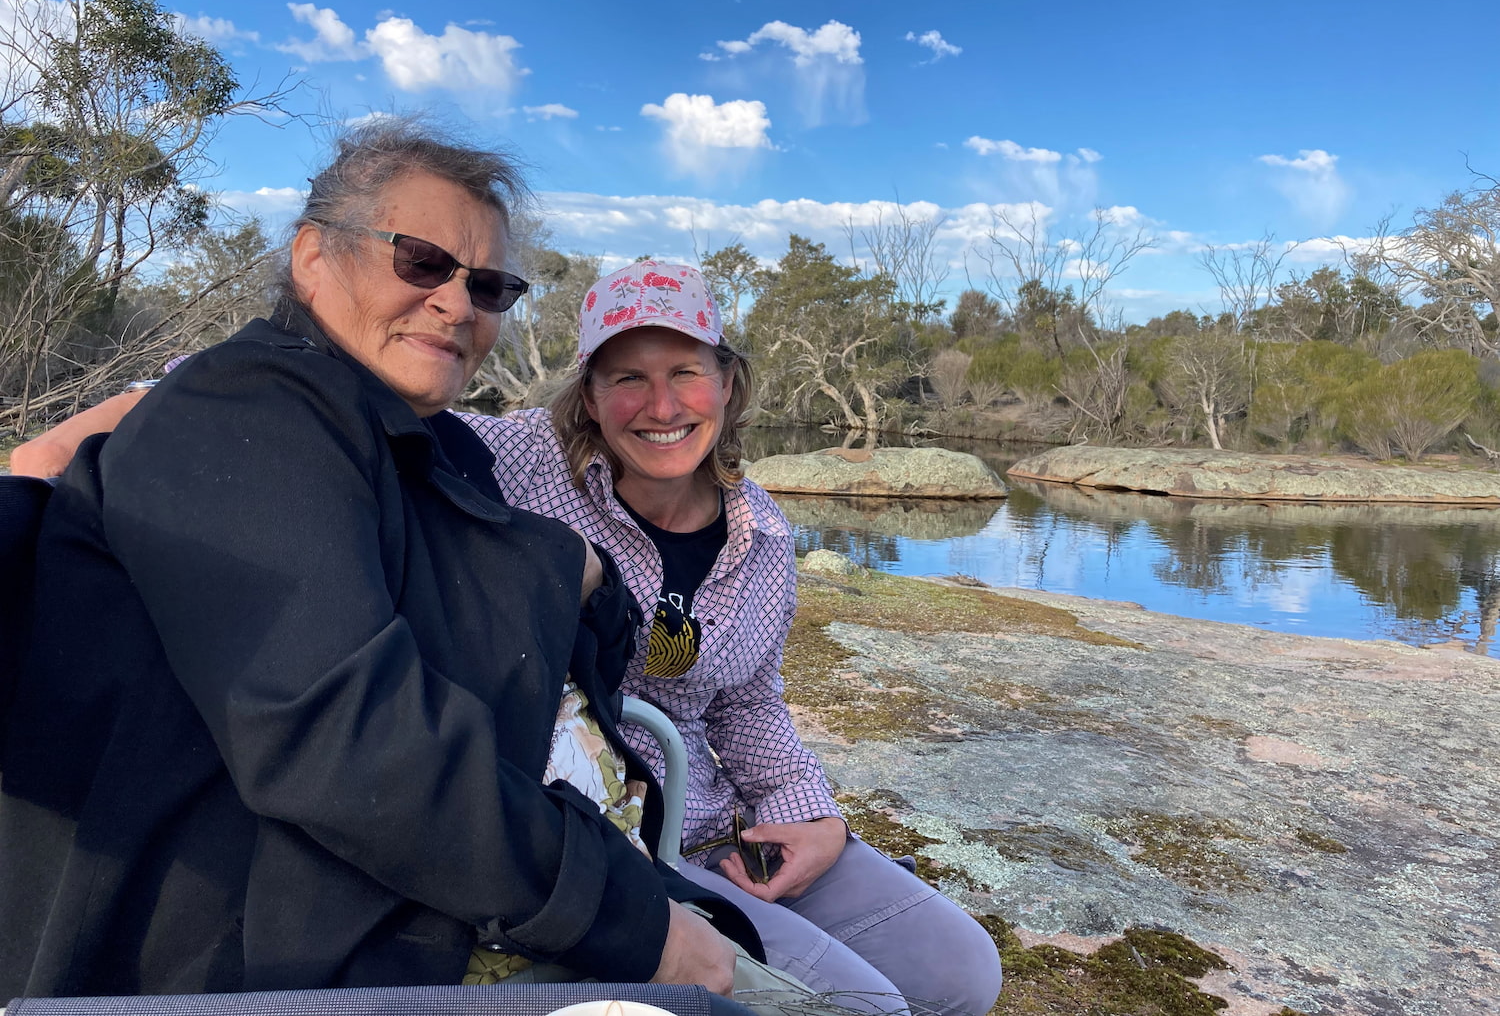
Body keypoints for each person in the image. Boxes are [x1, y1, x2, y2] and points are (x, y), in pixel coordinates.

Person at [11, 264, 1003, 1015]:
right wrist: (66, 448)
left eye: (684, 373)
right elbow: (297, 399)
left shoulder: (766, 529)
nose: (658, 407)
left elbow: (749, 698)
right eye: (625, 379)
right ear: (587, 390)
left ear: (728, 383)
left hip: (729, 823)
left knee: (966, 971)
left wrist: (809, 813)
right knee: (868, 1007)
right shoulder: (513, 456)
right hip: (611, 818)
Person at [0, 120, 762, 999]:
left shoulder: (431, 448)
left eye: (487, 285)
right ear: (314, 256)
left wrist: (575, 570)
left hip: (480, 900)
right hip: (288, 965)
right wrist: (636, 925)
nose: (455, 303)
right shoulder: (241, 416)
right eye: (422, 261)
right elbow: (347, 739)